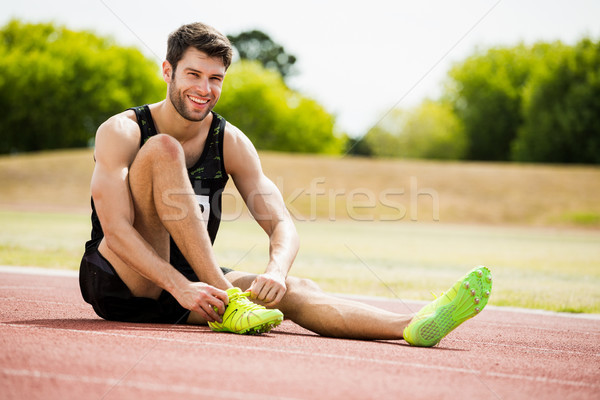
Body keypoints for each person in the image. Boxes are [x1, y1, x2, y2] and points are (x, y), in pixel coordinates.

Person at [79, 22, 493, 346]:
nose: (205, 90)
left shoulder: (231, 142)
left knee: (294, 290)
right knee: (163, 149)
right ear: (167, 70)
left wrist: (275, 272)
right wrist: (182, 286)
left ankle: (412, 324)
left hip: (194, 287)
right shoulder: (123, 131)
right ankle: (232, 301)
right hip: (123, 279)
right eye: (193, 74)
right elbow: (115, 232)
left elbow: (282, 224)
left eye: (216, 78)